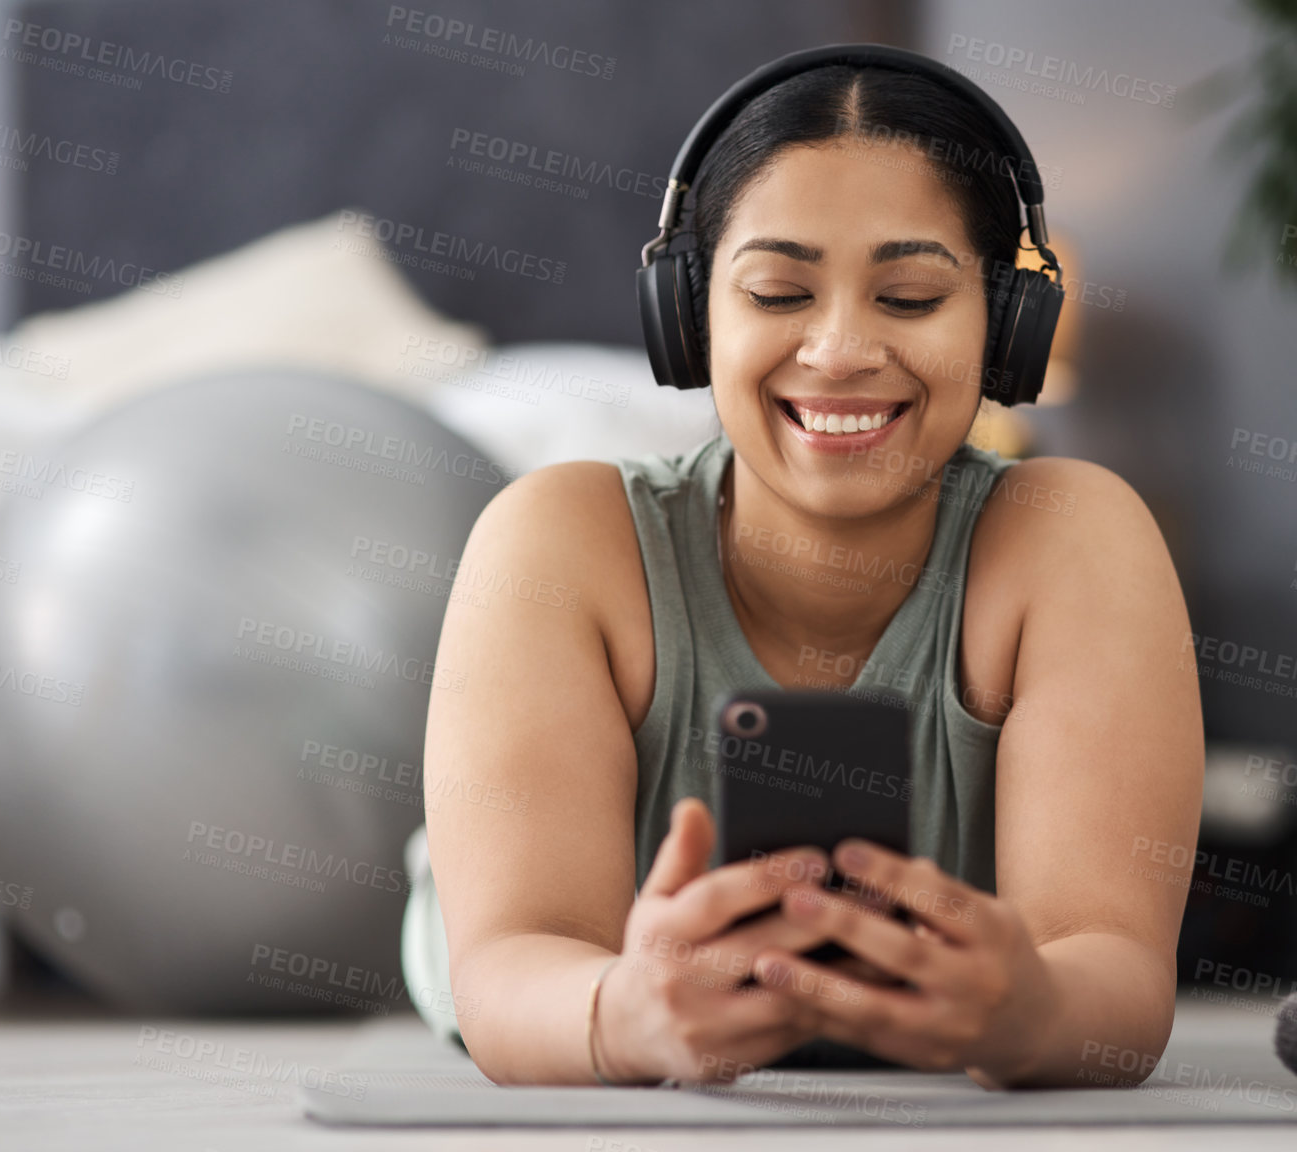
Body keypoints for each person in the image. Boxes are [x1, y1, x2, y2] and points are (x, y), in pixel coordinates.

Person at [401, 49, 1203, 1090]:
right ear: (690, 318)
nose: (838, 350)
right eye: (779, 290)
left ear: (1007, 328)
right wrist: (622, 1016)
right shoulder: (559, 539)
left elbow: (1118, 990)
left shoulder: (1077, 539)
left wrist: (1031, 1011)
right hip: (544, 958)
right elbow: (512, 972)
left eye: (910, 296)